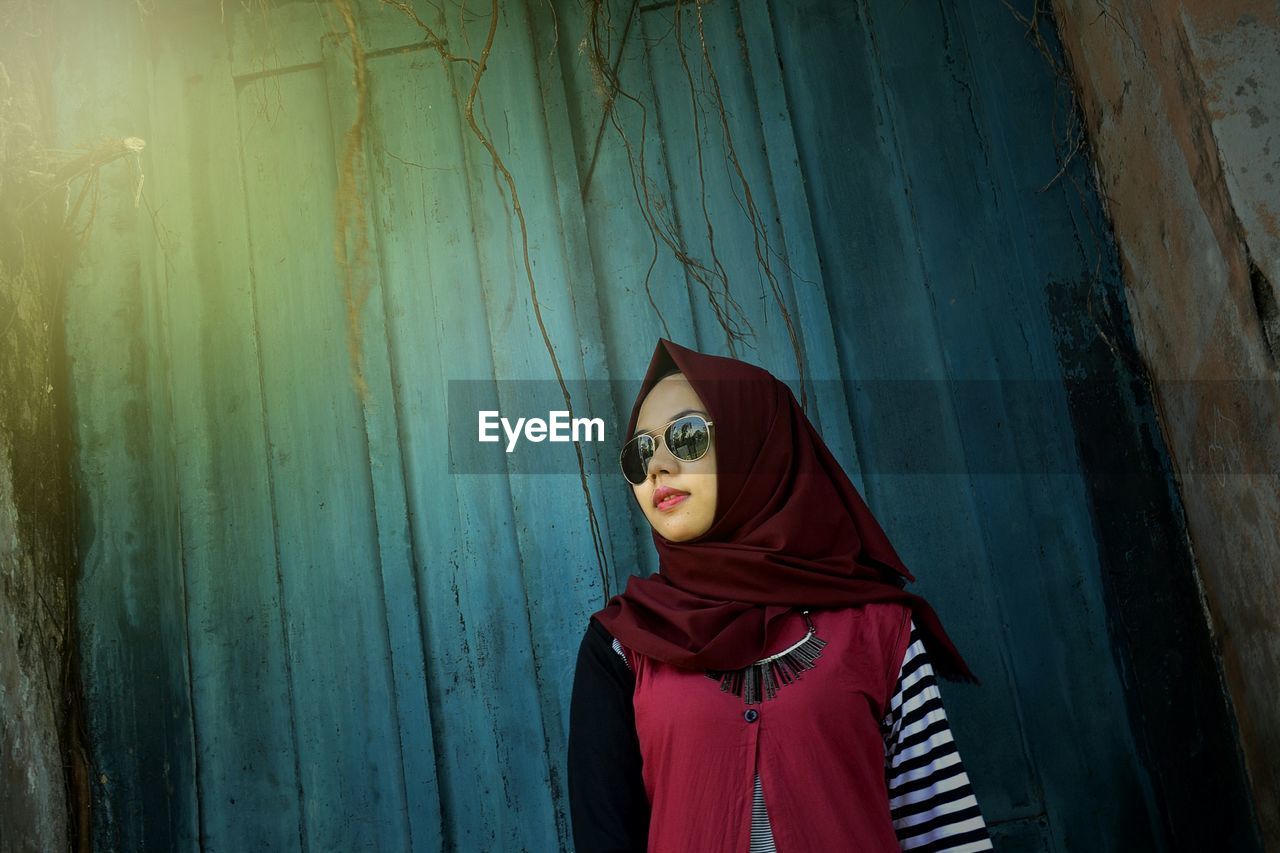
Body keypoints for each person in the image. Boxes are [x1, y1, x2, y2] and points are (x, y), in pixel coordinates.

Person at [567, 338, 995, 852]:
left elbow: (942, 831)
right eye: (640, 452)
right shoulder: (623, 645)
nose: (657, 467)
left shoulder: (879, 628)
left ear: (759, 443)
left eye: (686, 436)